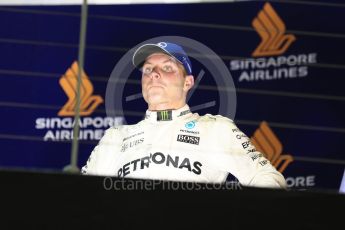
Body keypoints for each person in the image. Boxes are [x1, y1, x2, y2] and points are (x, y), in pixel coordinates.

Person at [81, 41, 286, 188]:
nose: (154, 74)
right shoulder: (116, 137)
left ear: (188, 82)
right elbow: (82, 197)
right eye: (148, 69)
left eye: (167, 68)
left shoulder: (215, 129)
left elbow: (267, 178)